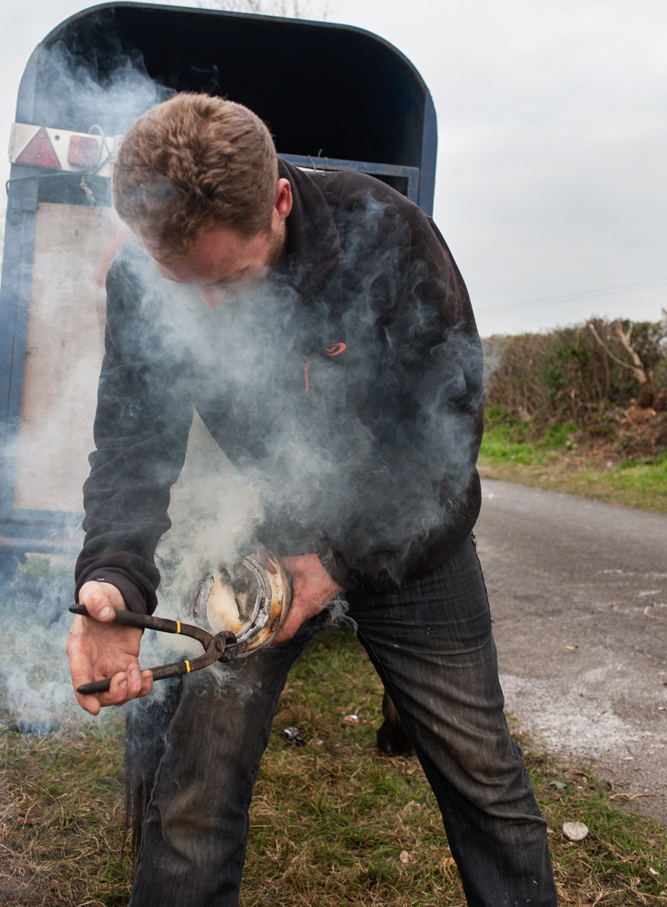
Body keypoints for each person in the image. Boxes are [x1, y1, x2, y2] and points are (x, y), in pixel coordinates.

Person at [66, 93, 558, 907]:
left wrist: (331, 565)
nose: (209, 307)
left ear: (280, 202)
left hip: (412, 538)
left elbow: (444, 439)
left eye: (229, 278)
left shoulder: (387, 233)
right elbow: (131, 447)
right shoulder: (138, 271)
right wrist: (114, 581)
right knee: (195, 791)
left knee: (484, 779)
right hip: (263, 541)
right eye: (184, 284)